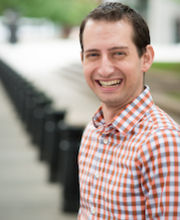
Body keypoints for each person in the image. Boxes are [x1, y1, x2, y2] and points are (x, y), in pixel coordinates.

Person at [78, 2, 180, 219]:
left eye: (118, 54)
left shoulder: (163, 143)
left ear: (146, 58)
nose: (105, 69)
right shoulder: (93, 131)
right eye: (93, 55)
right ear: (83, 59)